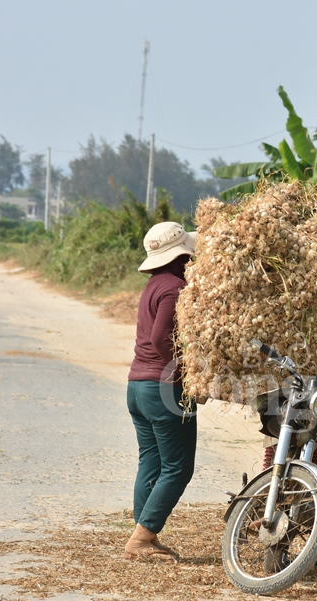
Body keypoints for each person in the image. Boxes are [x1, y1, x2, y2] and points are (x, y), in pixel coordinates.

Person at [123, 222, 198, 560]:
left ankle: (145, 536)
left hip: (138, 386)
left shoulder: (154, 284)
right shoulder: (175, 287)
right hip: (162, 388)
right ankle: (140, 539)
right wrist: (185, 372)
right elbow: (159, 337)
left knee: (151, 461)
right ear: (180, 255)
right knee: (178, 468)